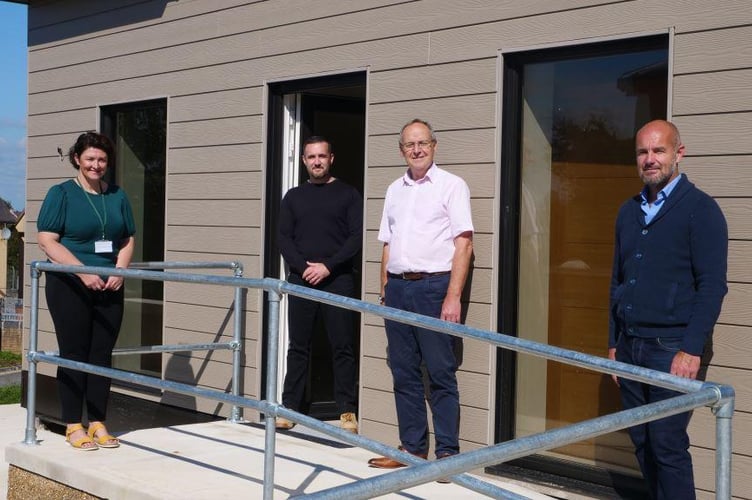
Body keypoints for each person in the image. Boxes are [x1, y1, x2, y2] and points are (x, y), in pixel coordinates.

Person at [608, 120, 728, 499]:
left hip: (670, 348)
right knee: (641, 441)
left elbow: (712, 286)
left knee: (667, 444)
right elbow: (618, 281)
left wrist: (691, 348)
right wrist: (613, 343)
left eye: (659, 151)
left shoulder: (700, 210)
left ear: (679, 153)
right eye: (643, 152)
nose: (650, 159)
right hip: (630, 346)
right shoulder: (629, 212)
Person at [368, 119, 473, 470]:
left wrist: (453, 296)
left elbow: (464, 244)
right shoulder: (394, 189)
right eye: (410, 145)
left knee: (441, 372)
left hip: (433, 288)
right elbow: (387, 242)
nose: (417, 149)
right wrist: (384, 288)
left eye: (423, 143)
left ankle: (447, 454)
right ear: (402, 150)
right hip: (397, 288)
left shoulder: (452, 186)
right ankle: (412, 450)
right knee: (404, 371)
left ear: (434, 145)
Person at [37, 131, 136, 451]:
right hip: (70, 286)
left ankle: (97, 422)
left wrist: (119, 270)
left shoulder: (117, 196)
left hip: (109, 285)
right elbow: (47, 240)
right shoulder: (62, 194)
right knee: (74, 353)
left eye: (102, 159)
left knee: (101, 355)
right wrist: (83, 272)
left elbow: (127, 239)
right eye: (90, 158)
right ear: (77, 159)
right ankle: (72, 424)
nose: (96, 165)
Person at [276, 136, 362, 433]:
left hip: (338, 279)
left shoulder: (348, 195)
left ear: (331, 158)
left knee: (342, 346)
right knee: (299, 346)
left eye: (322, 156)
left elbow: (356, 238)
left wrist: (328, 266)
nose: (317, 162)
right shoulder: (293, 197)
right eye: (311, 157)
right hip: (302, 280)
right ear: (303, 161)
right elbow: (284, 238)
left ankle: (346, 411)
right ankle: (290, 408)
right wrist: (304, 268)